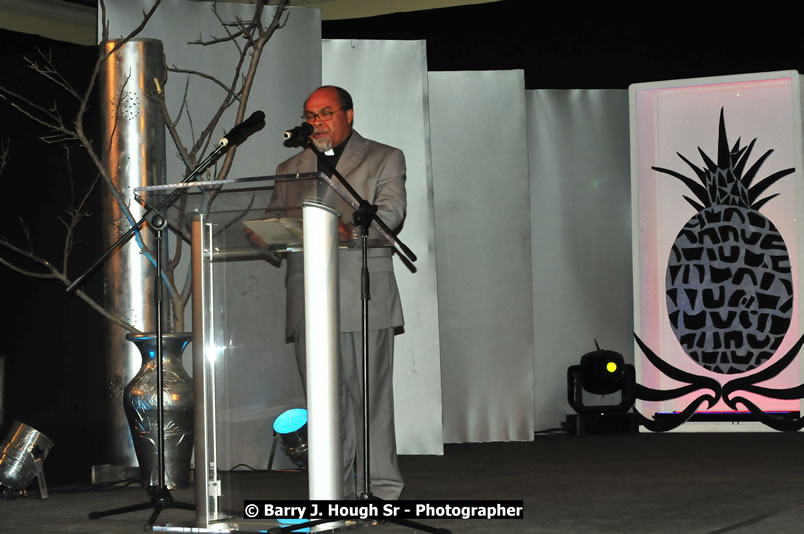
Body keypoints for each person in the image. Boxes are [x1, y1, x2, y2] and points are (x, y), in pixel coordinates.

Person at [272, 85, 406, 500]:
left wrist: (354, 228)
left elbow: (391, 214)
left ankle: (379, 489)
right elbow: (274, 220)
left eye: (325, 113)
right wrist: (264, 234)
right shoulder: (290, 165)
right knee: (325, 403)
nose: (316, 122)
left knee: (368, 398)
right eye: (310, 115)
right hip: (308, 299)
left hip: (360, 291)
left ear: (349, 114)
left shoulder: (383, 156)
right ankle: (334, 490)